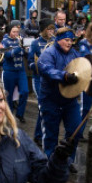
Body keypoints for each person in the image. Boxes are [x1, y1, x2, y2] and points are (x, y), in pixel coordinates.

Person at [37, 26, 84, 171]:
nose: (69, 43)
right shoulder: (49, 53)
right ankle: (51, 161)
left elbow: (82, 69)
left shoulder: (74, 54)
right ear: (58, 40)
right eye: (66, 40)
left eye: (71, 40)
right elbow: (45, 69)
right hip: (51, 99)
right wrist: (63, 76)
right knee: (51, 133)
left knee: (75, 130)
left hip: (70, 100)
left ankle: (67, 159)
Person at [28, 20, 56, 145]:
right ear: (44, 30)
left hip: (51, 79)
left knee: (50, 107)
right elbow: (29, 62)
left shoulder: (54, 43)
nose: (51, 32)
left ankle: (46, 134)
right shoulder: (35, 43)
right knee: (42, 107)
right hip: (39, 78)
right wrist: (38, 65)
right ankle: (38, 135)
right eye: (49, 29)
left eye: (52, 29)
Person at [1, 21, 29, 123]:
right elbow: (8, 55)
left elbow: (26, 54)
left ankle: (20, 114)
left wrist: (27, 49)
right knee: (9, 95)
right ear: (9, 31)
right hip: (9, 71)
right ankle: (9, 115)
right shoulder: (5, 42)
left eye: (17, 32)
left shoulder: (20, 40)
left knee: (25, 92)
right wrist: (19, 47)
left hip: (20, 70)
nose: (16, 34)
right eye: (14, 32)